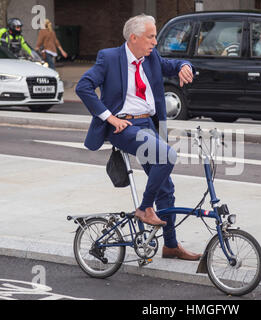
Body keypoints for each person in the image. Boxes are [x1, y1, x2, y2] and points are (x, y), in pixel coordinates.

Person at [76, 14, 201, 261]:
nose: (155, 41)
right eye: (151, 36)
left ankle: (171, 246)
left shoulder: (151, 57)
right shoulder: (109, 58)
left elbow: (174, 65)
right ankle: (144, 209)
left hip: (148, 125)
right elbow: (83, 86)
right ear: (133, 38)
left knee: (166, 187)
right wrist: (110, 118)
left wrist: (185, 66)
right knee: (167, 157)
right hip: (125, 127)